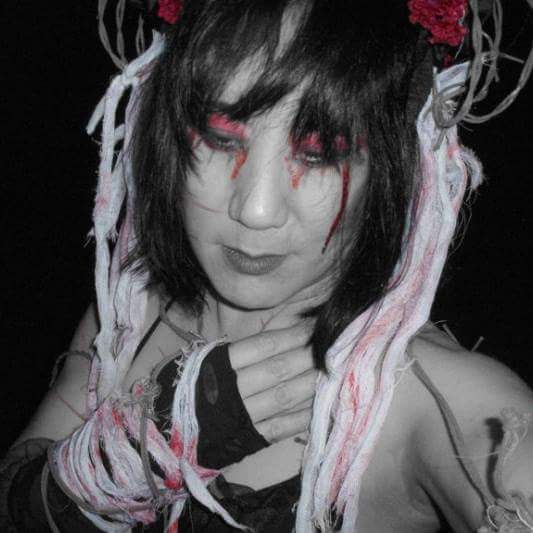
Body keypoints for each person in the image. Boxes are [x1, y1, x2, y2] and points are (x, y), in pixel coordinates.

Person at [1, 0, 532, 531]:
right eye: (220, 139)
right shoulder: (130, 312)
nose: (256, 210)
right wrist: (130, 455)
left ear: (391, 165)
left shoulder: (430, 398)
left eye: (320, 154)